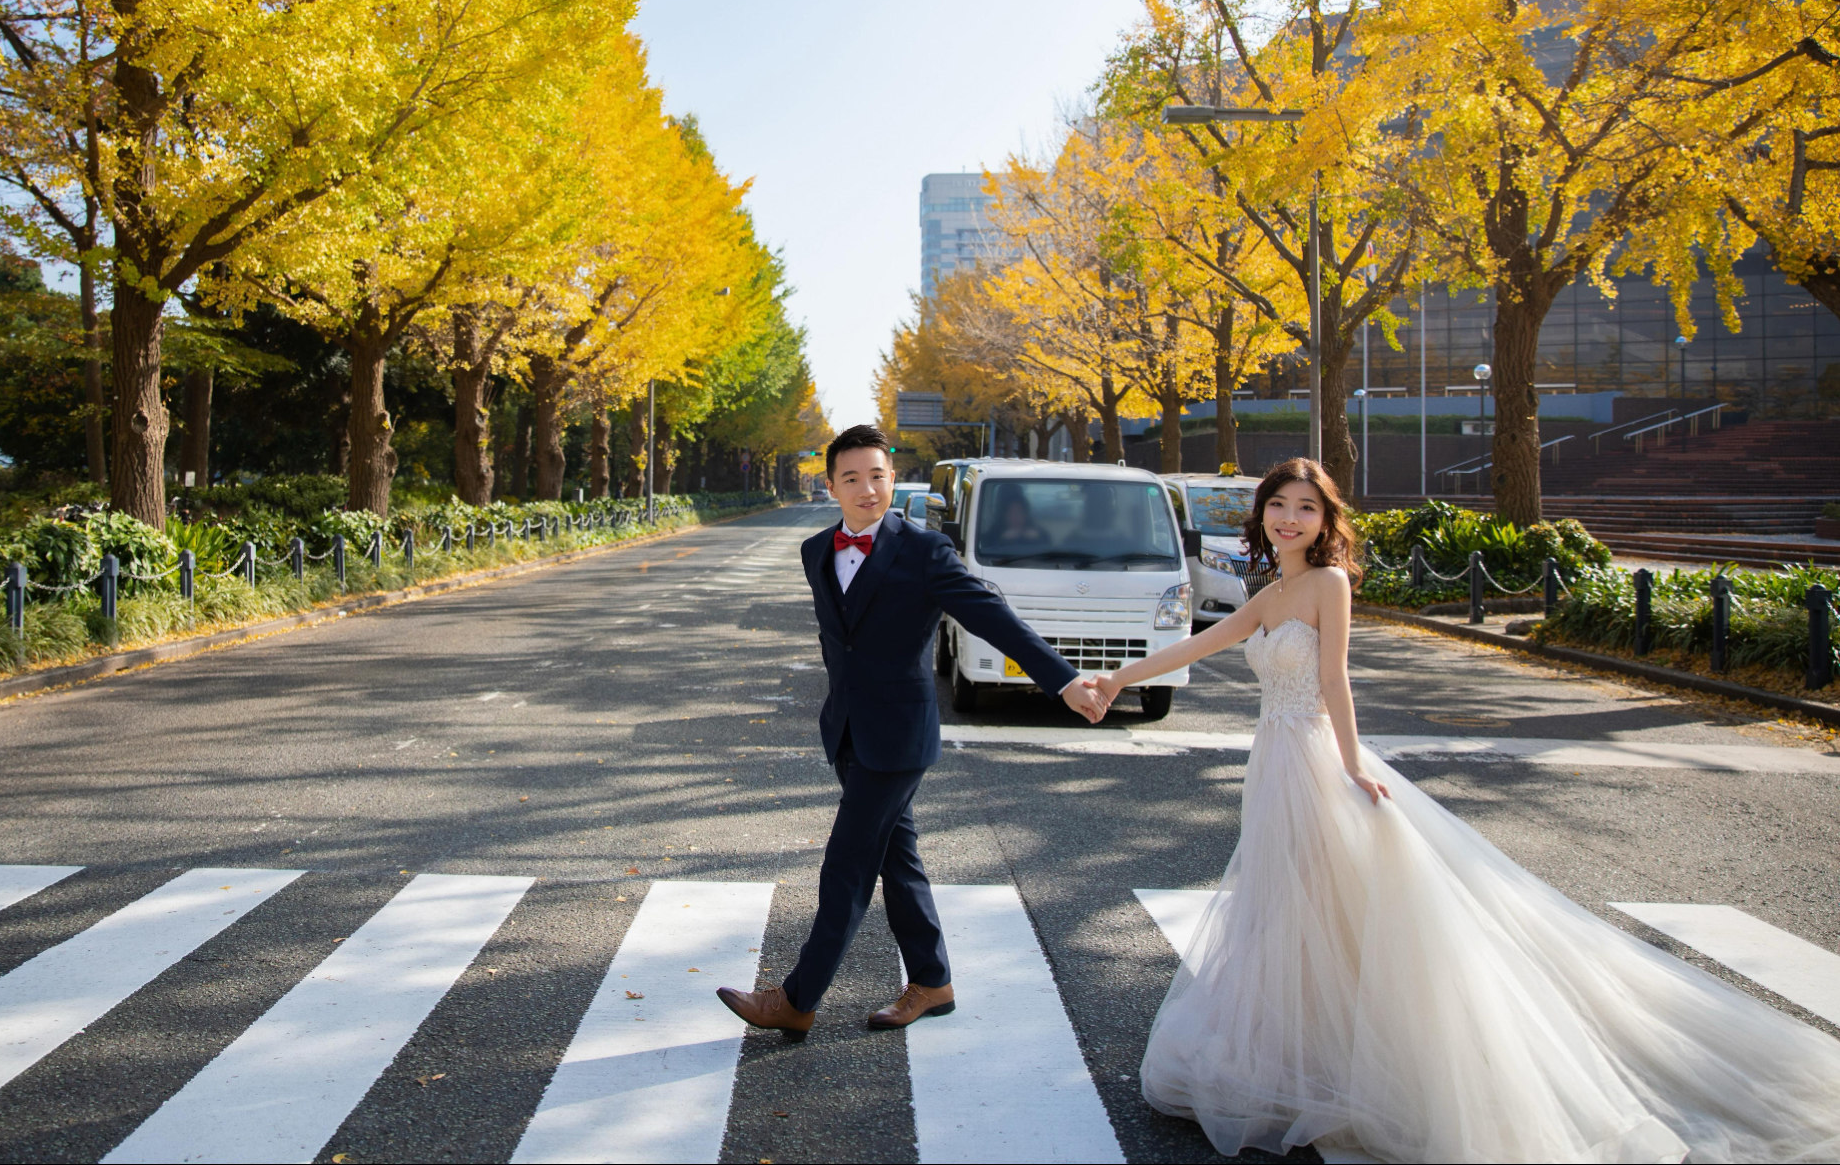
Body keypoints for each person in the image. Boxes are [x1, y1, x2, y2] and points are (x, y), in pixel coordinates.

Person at [1085, 456, 1840, 1163]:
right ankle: (1305, 1051)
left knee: (1329, 905)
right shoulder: (1269, 595)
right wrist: (1117, 679)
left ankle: (1365, 1060)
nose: (1289, 518)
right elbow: (1198, 644)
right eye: (1278, 505)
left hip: (1313, 761)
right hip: (1273, 765)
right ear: (1261, 517)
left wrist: (1352, 765)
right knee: (1289, 909)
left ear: (1326, 520)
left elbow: (1336, 681)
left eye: (1305, 508)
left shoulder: (1327, 584)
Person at [715, 424, 1106, 1035]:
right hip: (847, 731)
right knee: (898, 864)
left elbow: (991, 616)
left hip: (899, 737)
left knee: (846, 866)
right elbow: (840, 641)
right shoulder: (815, 551)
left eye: (877, 476)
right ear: (831, 486)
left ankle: (796, 1000)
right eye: (852, 478)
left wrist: (1063, 680)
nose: (867, 489)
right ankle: (932, 981)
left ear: (893, 480)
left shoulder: (925, 551)